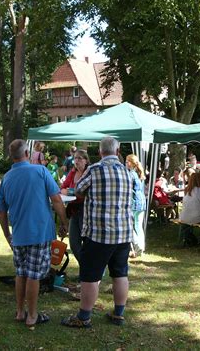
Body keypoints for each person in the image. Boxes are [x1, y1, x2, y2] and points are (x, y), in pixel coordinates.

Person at [61, 137, 133, 328]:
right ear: (117, 152)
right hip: (123, 233)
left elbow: (78, 191)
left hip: (99, 234)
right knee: (120, 274)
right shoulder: (127, 172)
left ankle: (83, 317)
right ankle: (119, 314)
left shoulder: (95, 170)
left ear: (100, 153)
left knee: (90, 276)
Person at [0, 139, 68, 327]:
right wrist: (64, 222)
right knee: (34, 275)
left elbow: (2, 212)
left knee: (21, 273)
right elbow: (56, 200)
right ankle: (32, 315)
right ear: (27, 154)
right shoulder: (41, 171)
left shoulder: (6, 178)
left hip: (19, 234)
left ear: (11, 157)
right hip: (40, 232)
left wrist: (6, 234)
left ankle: (20, 312)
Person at [60, 149, 90, 266]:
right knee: (73, 243)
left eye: (79, 158)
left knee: (87, 242)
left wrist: (70, 191)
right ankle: (86, 268)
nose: (76, 161)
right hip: (73, 209)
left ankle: (89, 271)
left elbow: (86, 192)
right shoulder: (72, 172)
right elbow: (63, 187)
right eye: (75, 158)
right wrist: (68, 191)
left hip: (86, 210)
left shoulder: (89, 173)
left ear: (86, 160)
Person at [179, 171, 200, 245]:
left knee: (191, 218)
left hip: (184, 217)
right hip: (197, 217)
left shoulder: (186, 190)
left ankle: (186, 237)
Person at [126, 154, 146, 257]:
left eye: (126, 162)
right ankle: (141, 247)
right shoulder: (140, 173)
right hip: (142, 202)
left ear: (130, 163)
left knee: (130, 226)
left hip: (134, 203)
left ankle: (137, 246)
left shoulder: (131, 174)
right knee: (138, 226)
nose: (125, 164)